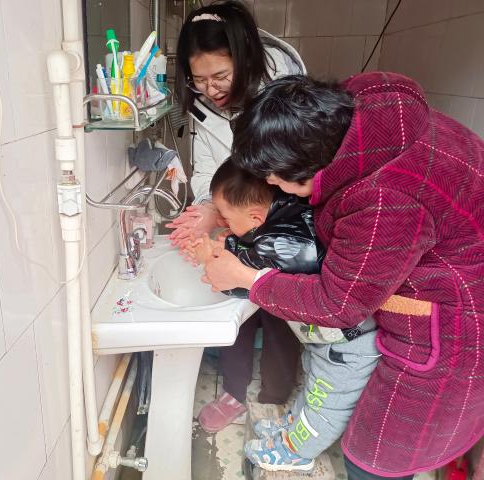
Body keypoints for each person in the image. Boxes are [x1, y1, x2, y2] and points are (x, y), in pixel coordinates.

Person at [201, 72, 484, 479]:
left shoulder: (384, 200)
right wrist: (222, 211)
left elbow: (338, 303)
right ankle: (296, 434)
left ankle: (300, 451)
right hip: (431, 292)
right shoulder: (356, 115)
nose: (272, 187)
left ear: (306, 170)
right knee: (332, 403)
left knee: (374, 454)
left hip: (458, 329)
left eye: (276, 180)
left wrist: (247, 278)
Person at [167, 0, 308, 433]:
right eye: (198, 80)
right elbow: (209, 165)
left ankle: (276, 395)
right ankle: (233, 391)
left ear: (243, 61)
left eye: (220, 77)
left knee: (281, 307)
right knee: (235, 295)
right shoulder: (203, 104)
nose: (210, 90)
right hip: (239, 214)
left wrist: (243, 212)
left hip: (284, 213)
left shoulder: (282, 88)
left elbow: (294, 167)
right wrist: (210, 208)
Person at [188, 160, 380, 472]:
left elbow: (243, 280)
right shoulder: (288, 213)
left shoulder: (280, 243)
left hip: (348, 347)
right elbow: (258, 251)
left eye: (226, 217)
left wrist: (209, 256)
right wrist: (232, 240)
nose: (221, 221)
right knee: (313, 387)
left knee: (324, 406)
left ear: (255, 217)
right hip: (330, 340)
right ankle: (294, 426)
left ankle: (297, 452)